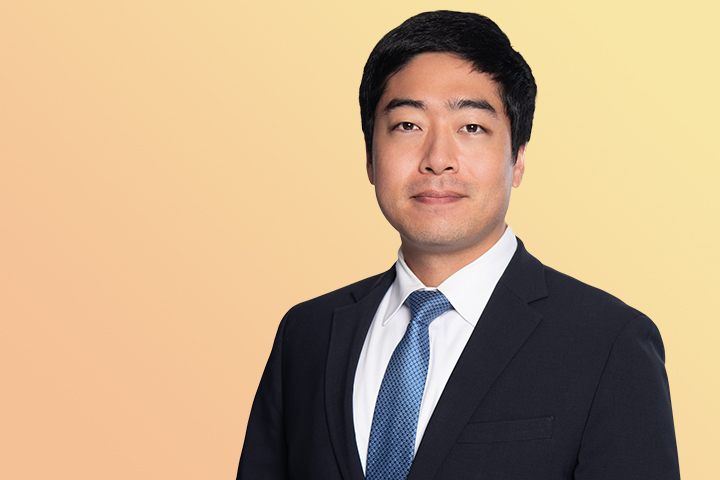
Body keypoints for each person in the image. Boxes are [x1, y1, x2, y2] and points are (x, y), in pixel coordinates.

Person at [237, 10, 680, 480]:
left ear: (518, 159)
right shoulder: (307, 334)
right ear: (370, 156)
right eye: (408, 125)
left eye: (471, 127)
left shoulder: (610, 343)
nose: (438, 160)